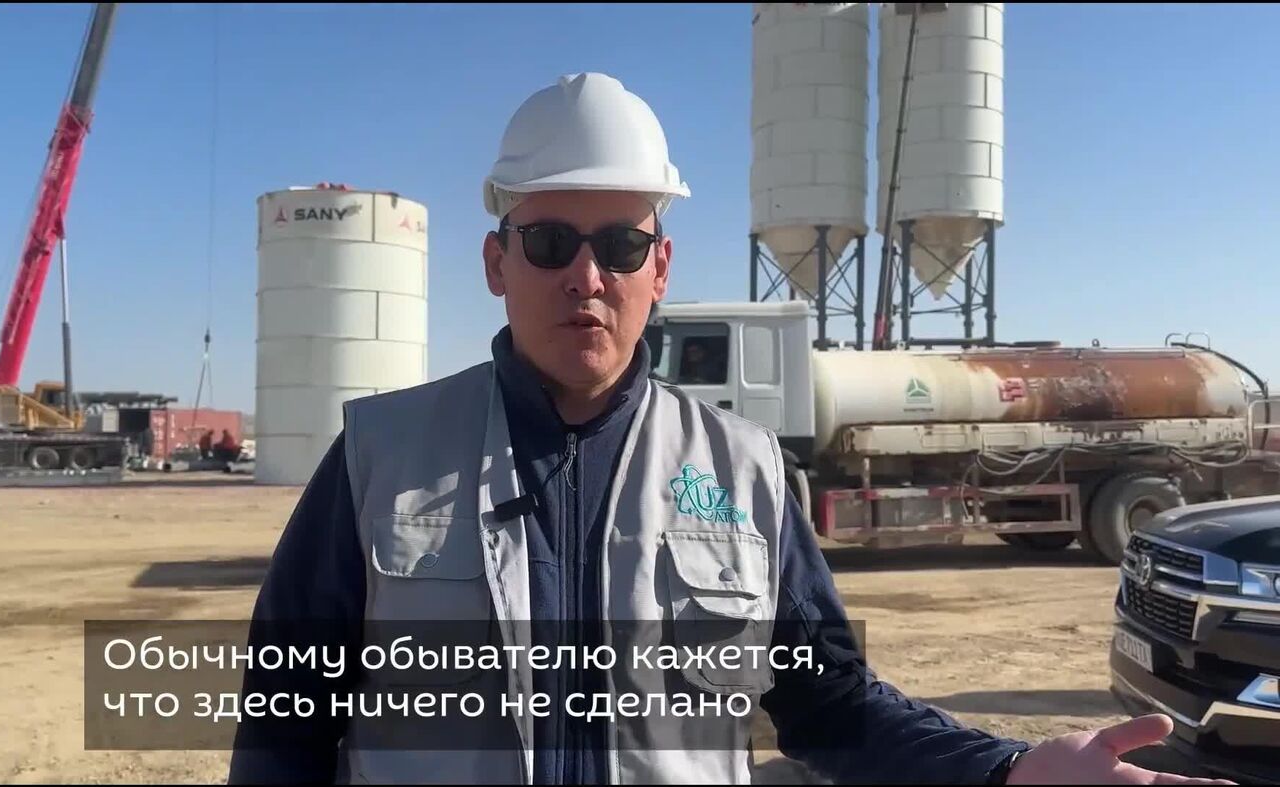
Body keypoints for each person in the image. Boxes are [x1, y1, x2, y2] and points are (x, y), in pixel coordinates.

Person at [228, 73, 1229, 785]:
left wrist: (1005, 769)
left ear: (659, 269)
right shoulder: (379, 456)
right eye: (549, 241)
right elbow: (284, 723)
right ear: (497, 263)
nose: (586, 276)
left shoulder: (744, 472)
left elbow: (827, 703)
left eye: (621, 245)